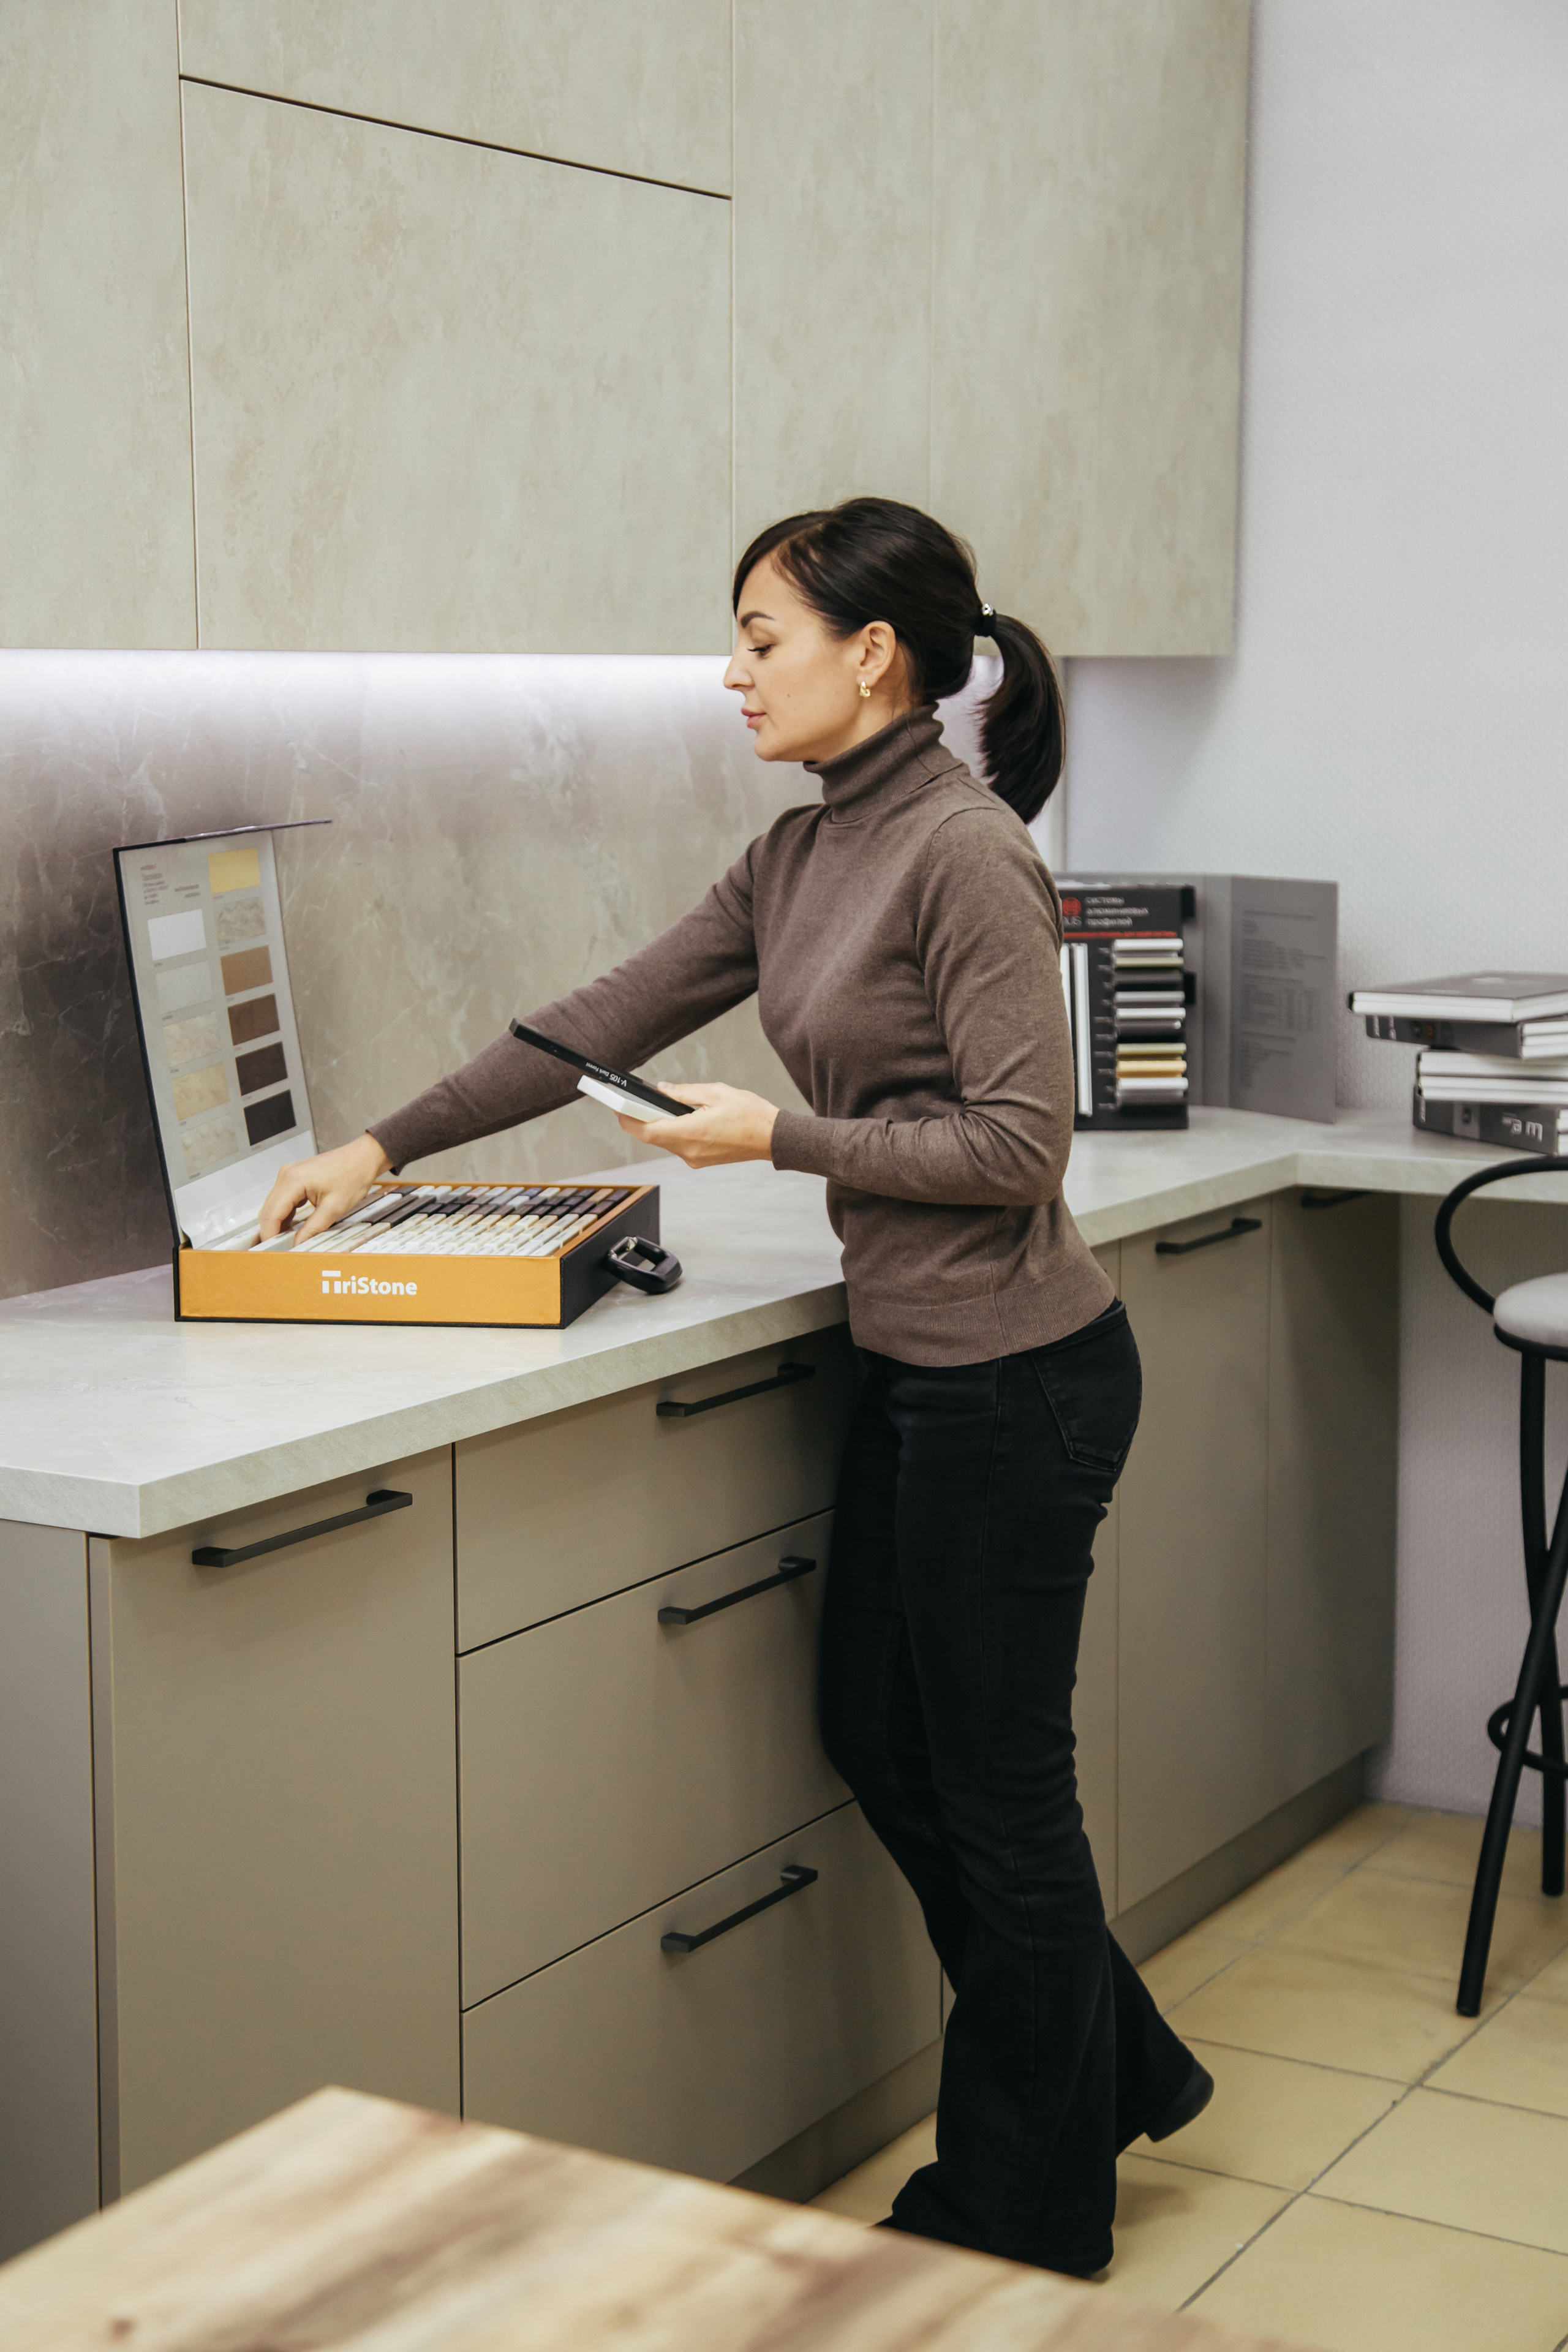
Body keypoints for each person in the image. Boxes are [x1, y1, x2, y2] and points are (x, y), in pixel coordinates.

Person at [259, 495, 1212, 2277]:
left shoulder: (968, 851)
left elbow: (1020, 1145)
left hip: (1023, 1383)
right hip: (924, 1373)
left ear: (875, 655)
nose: (733, 671)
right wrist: (380, 1143)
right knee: (880, 1732)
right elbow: (586, 1024)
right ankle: (1112, 2055)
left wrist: (781, 1137)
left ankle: (1024, 2206)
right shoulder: (797, 859)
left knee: (1001, 1793)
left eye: (762, 638)